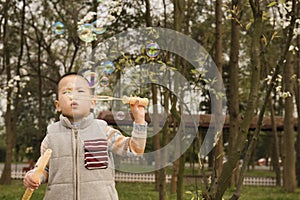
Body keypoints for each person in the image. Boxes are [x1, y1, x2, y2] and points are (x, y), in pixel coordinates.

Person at [23, 72, 147, 200]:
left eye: (80, 91)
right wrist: (33, 176)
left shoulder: (103, 130)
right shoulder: (51, 136)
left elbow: (134, 150)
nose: (73, 96)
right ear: (58, 105)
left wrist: (139, 120)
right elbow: (45, 168)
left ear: (92, 102)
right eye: (67, 92)